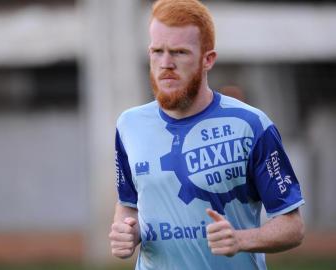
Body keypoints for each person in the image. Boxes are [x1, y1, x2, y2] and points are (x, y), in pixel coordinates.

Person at [108, 0, 305, 269]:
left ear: (207, 59)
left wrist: (240, 239)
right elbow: (128, 203)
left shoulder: (251, 124)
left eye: (179, 52)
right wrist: (127, 232)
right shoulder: (129, 125)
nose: (166, 63)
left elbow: (292, 226)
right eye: (157, 51)